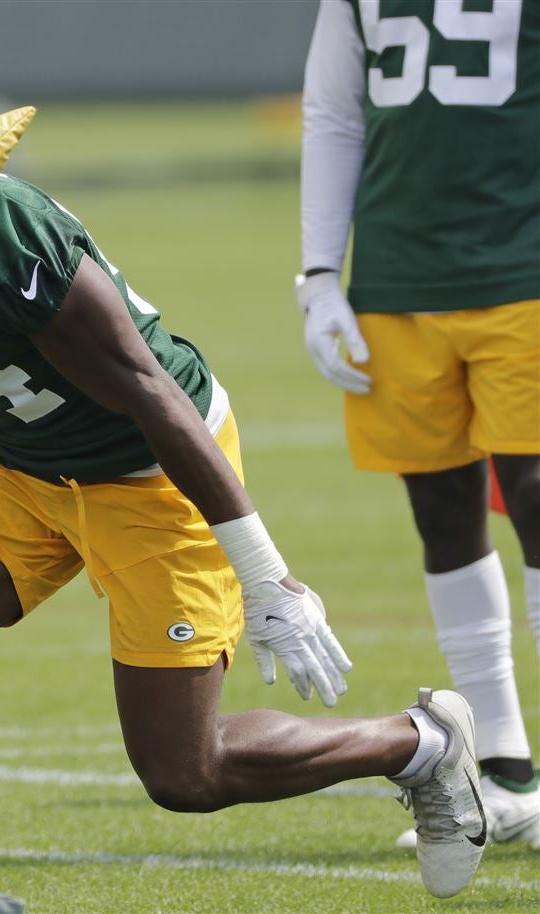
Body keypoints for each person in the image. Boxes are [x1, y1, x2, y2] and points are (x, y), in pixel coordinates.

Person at [0, 20, 489, 899]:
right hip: (17, 469)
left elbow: (151, 395)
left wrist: (268, 578)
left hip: (147, 475)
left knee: (186, 772)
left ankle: (420, 742)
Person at [295, 0, 539, 850]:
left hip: (525, 262)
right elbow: (333, 110)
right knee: (442, 512)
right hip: (399, 273)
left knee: (538, 494)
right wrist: (321, 273)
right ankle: (504, 768)